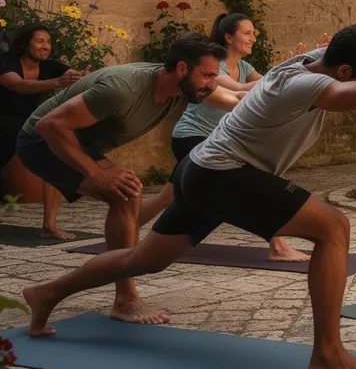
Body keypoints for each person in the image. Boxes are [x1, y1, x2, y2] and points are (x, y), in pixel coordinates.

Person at [22, 0, 356, 369]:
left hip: (201, 169)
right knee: (333, 228)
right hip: (221, 173)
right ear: (343, 72)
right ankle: (328, 355)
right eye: (354, 75)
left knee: (144, 258)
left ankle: (46, 293)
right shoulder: (308, 84)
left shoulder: (308, 62)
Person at [16, 34, 242, 325]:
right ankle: (125, 299)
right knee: (126, 193)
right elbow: (50, 125)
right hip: (41, 141)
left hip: (78, 141)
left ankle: (108, 288)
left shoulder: (187, 89)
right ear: (183, 69)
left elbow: (237, 99)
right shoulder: (122, 89)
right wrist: (96, 171)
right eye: (209, 75)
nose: (212, 83)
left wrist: (298, 87)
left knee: (126, 194)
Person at [142, 12, 308, 262]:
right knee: (255, 184)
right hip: (194, 137)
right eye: (247, 33)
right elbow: (241, 93)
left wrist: (297, 68)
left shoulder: (244, 67)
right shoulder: (212, 67)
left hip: (217, 142)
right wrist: (287, 71)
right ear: (228, 37)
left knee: (167, 198)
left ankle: (124, 230)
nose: (253, 38)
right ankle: (279, 246)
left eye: (254, 33)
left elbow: (272, 91)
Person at [0, 24, 83, 238]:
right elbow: (16, 85)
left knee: (52, 153)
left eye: (48, 42)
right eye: (39, 41)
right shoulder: (7, 61)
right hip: (3, 123)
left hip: (21, 125)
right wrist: (57, 82)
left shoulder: (51, 66)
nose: (45, 46)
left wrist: (82, 77)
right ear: (25, 44)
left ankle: (50, 225)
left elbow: (74, 77)